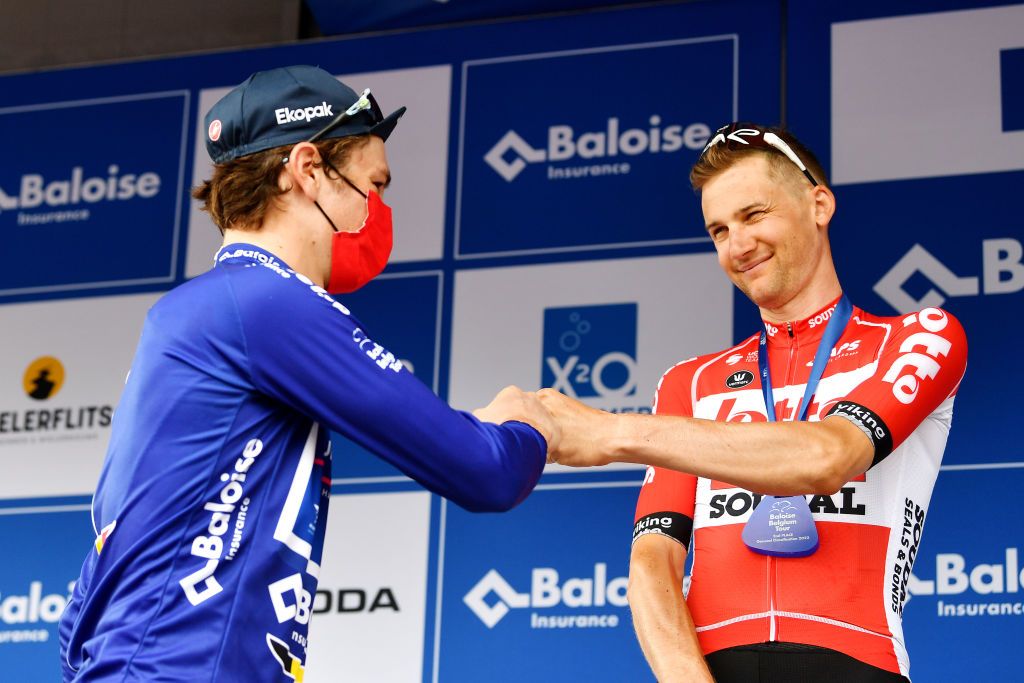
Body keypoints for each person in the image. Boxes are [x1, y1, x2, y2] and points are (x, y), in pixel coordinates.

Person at [58, 65, 557, 682]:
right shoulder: (268, 303)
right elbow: (486, 472)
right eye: (372, 185)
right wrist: (531, 424)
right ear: (307, 169)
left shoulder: (196, 311)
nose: (376, 211)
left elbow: (92, 582)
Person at [539, 122, 967, 682]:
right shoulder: (688, 383)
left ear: (818, 204)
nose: (737, 246)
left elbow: (826, 459)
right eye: (718, 230)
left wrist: (613, 433)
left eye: (753, 215)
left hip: (859, 663)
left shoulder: (917, 338)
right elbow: (653, 559)